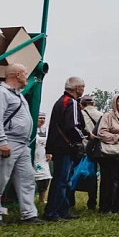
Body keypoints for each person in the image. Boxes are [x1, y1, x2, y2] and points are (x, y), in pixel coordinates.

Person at [0, 64, 43, 226]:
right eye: (25, 73)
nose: (26, 76)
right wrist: (2, 141)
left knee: (27, 179)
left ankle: (29, 214)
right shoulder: (0, 93)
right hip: (9, 141)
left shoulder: (17, 95)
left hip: (22, 144)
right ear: (17, 75)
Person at [43, 77, 87, 222]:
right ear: (76, 88)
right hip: (65, 147)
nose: (83, 90)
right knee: (62, 181)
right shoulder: (72, 102)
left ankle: (62, 210)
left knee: (64, 180)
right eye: (82, 87)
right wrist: (85, 136)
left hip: (58, 146)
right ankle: (53, 212)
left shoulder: (61, 101)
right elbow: (73, 126)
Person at [77, 95, 102, 211]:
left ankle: (70, 199)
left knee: (76, 172)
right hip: (98, 148)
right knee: (94, 174)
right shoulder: (101, 115)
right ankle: (92, 201)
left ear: (81, 105)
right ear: (94, 104)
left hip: (82, 148)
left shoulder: (79, 114)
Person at [33, 112, 52, 204]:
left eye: (43, 118)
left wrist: (50, 152)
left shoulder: (45, 130)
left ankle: (42, 198)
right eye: (40, 118)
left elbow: (49, 142)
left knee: (44, 177)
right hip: (32, 156)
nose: (42, 120)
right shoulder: (32, 129)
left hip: (43, 156)